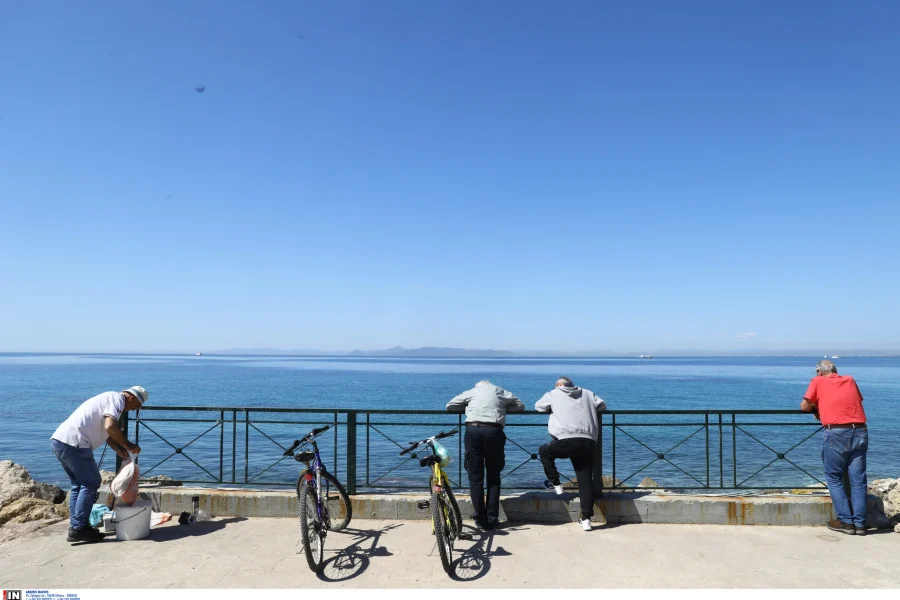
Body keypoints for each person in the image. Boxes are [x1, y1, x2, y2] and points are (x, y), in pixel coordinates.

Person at [50, 386, 147, 543]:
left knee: (78, 485)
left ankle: (78, 526)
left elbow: (108, 435)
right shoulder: (117, 399)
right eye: (136, 406)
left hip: (60, 441)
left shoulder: (110, 401)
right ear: (131, 398)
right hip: (76, 443)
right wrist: (129, 446)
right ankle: (79, 528)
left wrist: (120, 451)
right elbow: (110, 427)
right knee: (91, 482)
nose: (134, 409)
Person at [800, 360, 868, 535]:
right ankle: (860, 524)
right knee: (858, 480)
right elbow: (853, 401)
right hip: (860, 430)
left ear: (819, 372)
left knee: (834, 478)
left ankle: (846, 522)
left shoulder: (818, 381)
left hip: (837, 433)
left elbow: (804, 406)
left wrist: (816, 407)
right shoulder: (850, 380)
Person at [447, 380, 524, 529]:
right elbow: (520, 405)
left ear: (478, 386)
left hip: (473, 431)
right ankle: (492, 518)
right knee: (494, 476)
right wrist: (502, 409)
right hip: (494, 431)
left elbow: (450, 405)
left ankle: (480, 518)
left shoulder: (472, 392)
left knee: (475, 477)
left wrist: (468, 409)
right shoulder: (501, 391)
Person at [536, 377, 606, 531]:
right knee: (585, 479)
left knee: (544, 451)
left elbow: (538, 407)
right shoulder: (587, 393)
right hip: (588, 440)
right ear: (572, 384)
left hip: (566, 439)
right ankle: (586, 519)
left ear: (559, 386)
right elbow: (602, 405)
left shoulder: (554, 393)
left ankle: (556, 483)